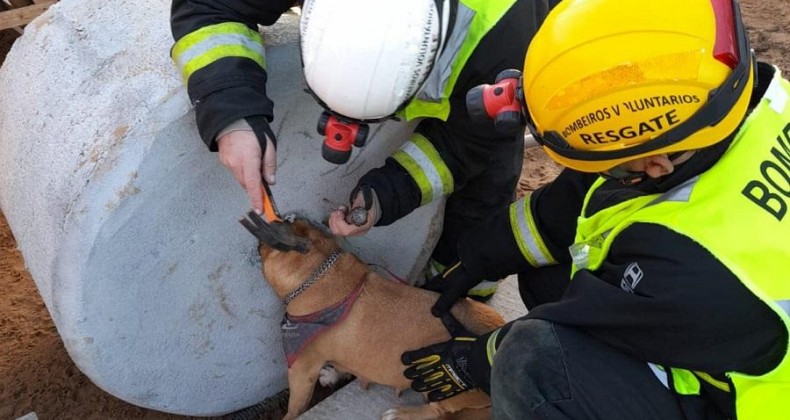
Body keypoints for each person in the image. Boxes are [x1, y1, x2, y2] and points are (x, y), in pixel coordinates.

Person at [400, 0, 790, 418]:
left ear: (654, 165)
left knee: (530, 365)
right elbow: (576, 200)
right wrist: (477, 257)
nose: (596, 172)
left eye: (604, 165)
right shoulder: (723, 106)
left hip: (736, 399)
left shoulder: (698, 265)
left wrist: (477, 361)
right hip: (709, 325)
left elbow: (585, 320)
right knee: (548, 279)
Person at [170, 0, 560, 300]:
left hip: (512, 53)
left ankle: (457, 295)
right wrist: (232, 115)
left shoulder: (507, 44)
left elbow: (471, 145)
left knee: (488, 184)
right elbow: (210, 7)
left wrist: (387, 194)